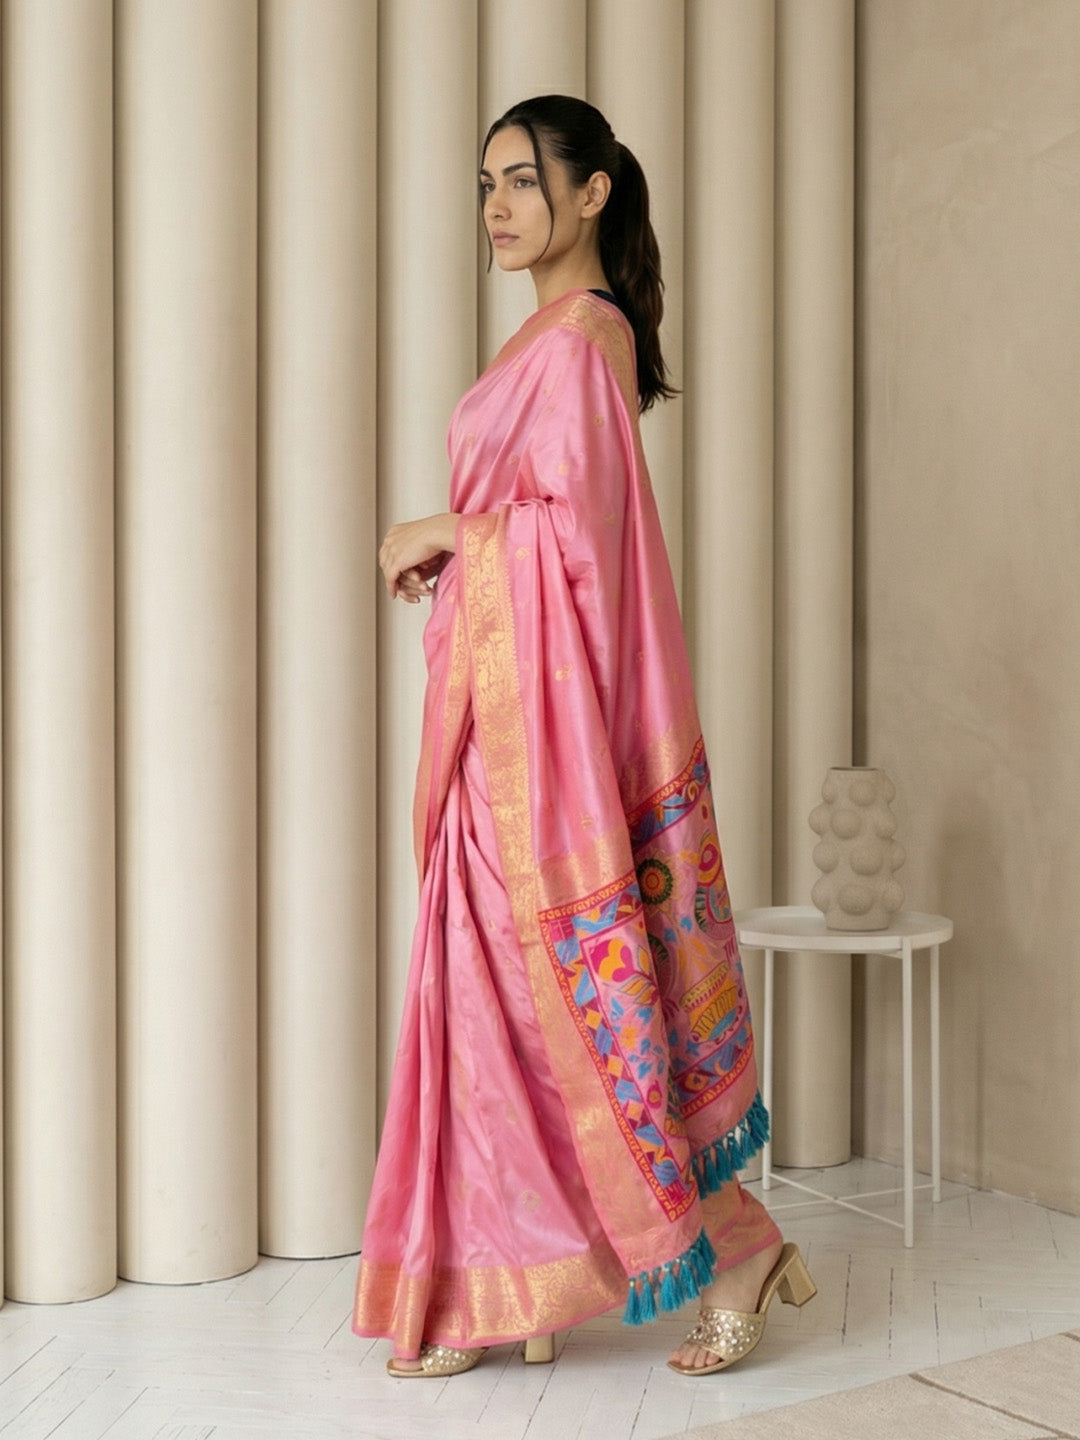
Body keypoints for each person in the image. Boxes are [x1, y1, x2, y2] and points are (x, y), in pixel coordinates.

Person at [354, 94, 816, 1380]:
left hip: (545, 747)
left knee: (573, 999)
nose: (496, 207)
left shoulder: (580, 342)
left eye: (520, 180)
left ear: (592, 191)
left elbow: (583, 549)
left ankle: (741, 1249)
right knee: (492, 1004)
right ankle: (505, 1285)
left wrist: (448, 533)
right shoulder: (546, 341)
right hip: (498, 725)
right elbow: (544, 532)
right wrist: (462, 558)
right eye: (485, 185)